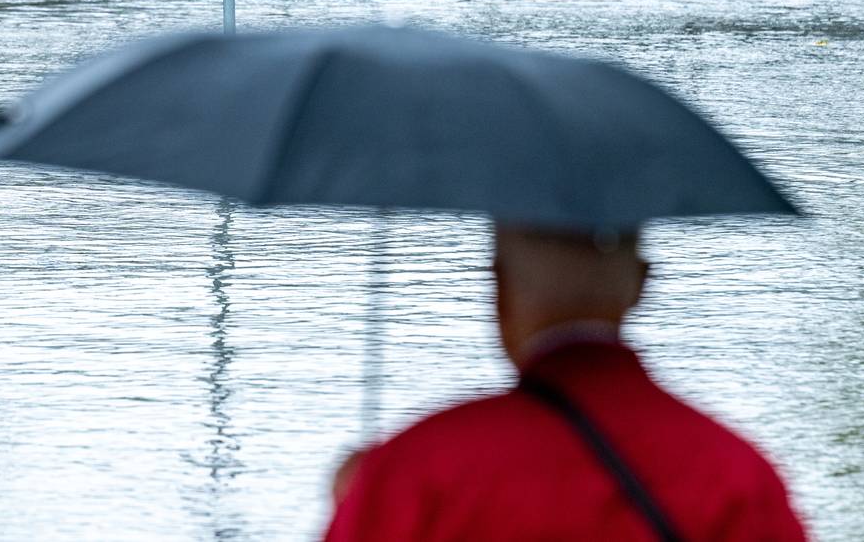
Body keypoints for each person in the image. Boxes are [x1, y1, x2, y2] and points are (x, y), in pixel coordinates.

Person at [323, 224, 806, 541]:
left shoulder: (416, 468)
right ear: (641, 285)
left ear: (499, 288)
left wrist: (362, 499)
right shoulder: (740, 476)